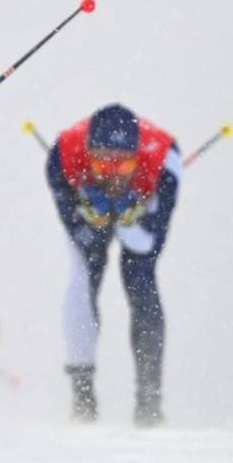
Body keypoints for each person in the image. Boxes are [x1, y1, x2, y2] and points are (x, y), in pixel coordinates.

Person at [45, 104, 180, 427]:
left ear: (138, 156)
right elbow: (77, 233)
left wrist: (130, 223)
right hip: (87, 209)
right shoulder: (62, 156)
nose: (113, 176)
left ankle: (149, 399)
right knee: (81, 282)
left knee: (141, 282)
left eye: (123, 166)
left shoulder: (165, 160)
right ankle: (83, 395)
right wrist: (91, 224)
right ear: (88, 155)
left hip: (143, 209)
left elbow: (152, 244)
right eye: (102, 164)